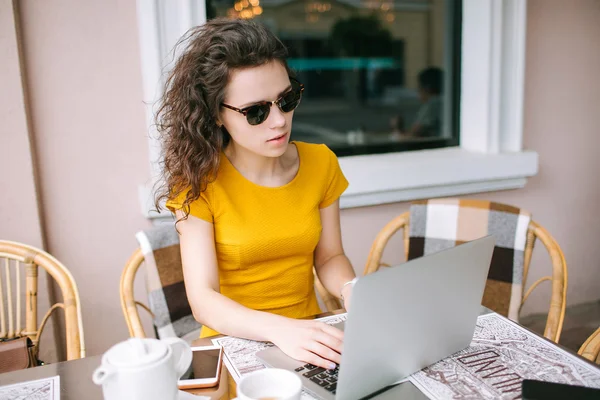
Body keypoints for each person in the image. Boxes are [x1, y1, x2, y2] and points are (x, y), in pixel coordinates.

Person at [154, 18, 357, 371]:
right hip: (231, 345)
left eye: (287, 99)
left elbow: (329, 257)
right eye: (256, 111)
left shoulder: (321, 163)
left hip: (311, 334)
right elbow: (203, 299)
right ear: (216, 114)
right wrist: (281, 330)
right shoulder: (199, 181)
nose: (278, 120)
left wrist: (353, 289)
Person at [406, 67, 443, 137]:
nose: (417, 91)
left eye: (419, 87)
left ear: (426, 88)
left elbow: (415, 132)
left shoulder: (433, 103)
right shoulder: (444, 102)